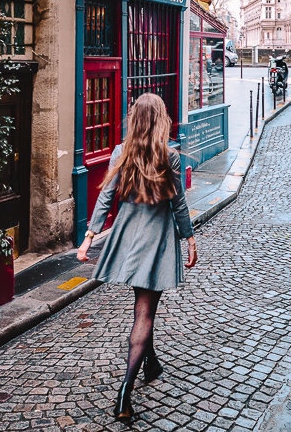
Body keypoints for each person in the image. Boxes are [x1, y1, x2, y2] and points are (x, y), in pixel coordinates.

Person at [77, 93, 197, 423]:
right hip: (156, 240)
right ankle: (124, 395)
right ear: (160, 120)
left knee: (142, 305)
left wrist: (89, 238)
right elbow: (178, 204)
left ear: (134, 119)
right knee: (145, 311)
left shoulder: (121, 151)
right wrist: (190, 239)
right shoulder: (169, 156)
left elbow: (104, 198)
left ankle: (151, 362)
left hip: (127, 239)